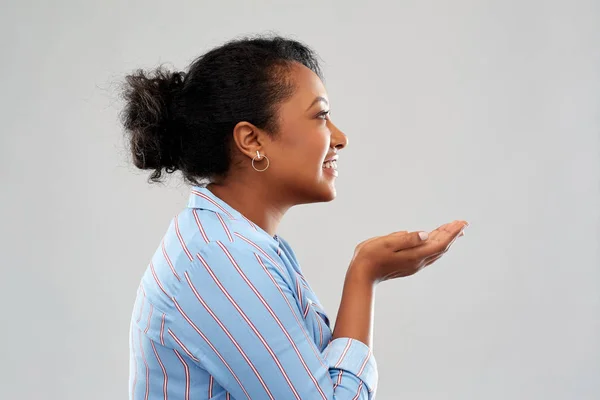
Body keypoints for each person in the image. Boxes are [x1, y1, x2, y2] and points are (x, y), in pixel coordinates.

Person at [121, 34, 468, 400]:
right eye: (320, 116)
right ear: (252, 141)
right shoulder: (220, 258)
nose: (340, 137)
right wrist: (365, 274)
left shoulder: (238, 245)